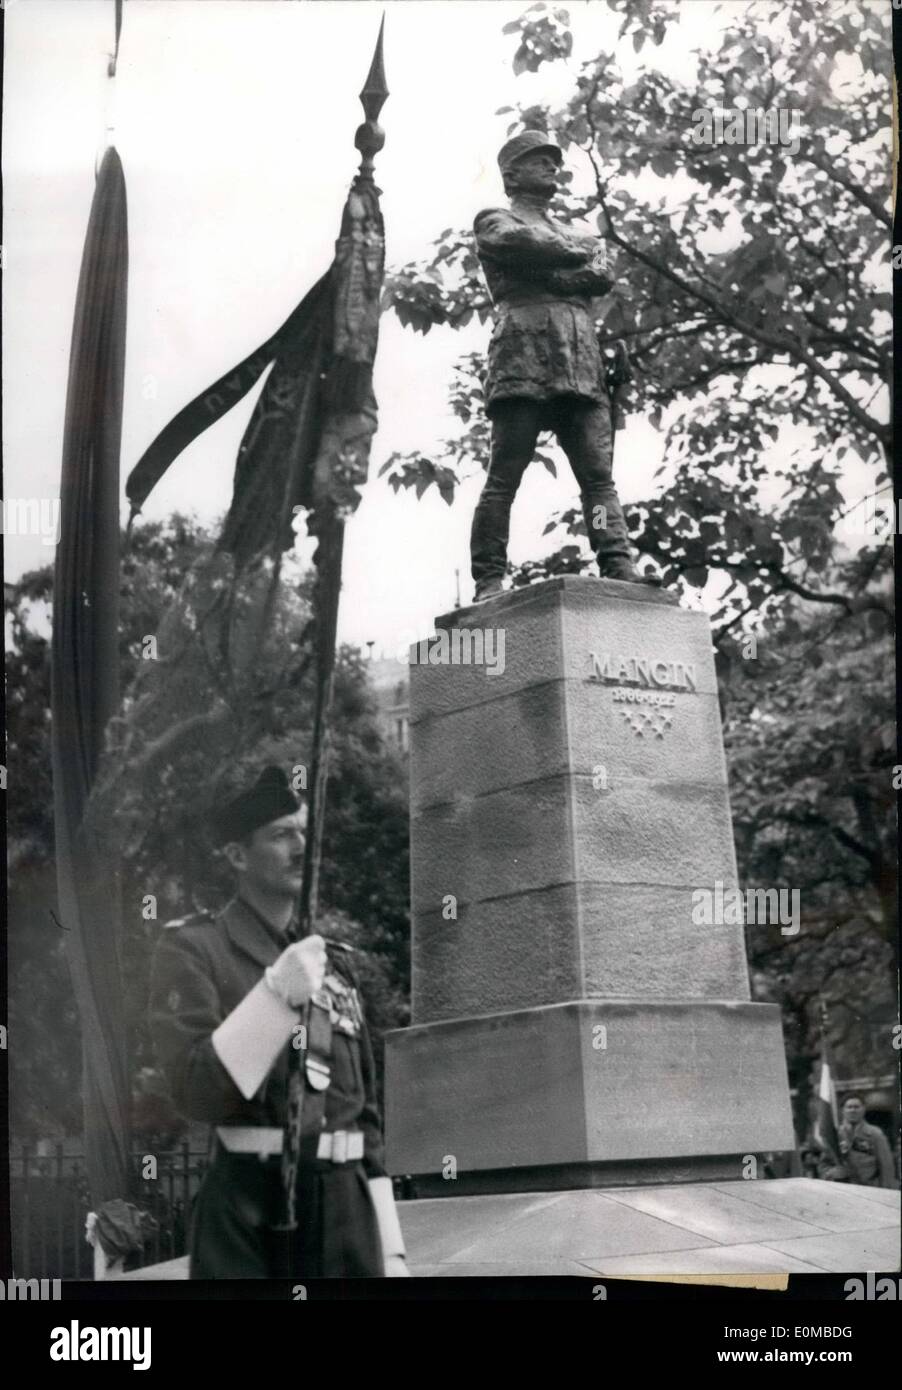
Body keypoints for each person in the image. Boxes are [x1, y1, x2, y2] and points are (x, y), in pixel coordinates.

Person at [148, 765, 409, 1277]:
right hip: (252, 1212)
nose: (301, 847)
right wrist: (274, 997)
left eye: (305, 833)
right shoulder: (194, 949)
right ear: (237, 855)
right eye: (281, 834)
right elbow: (196, 1089)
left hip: (347, 1218)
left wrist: (392, 1249)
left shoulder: (335, 964)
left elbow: (366, 1120)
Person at [470, 130, 658, 601]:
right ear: (511, 174)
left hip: (579, 357)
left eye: (554, 161)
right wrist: (567, 263)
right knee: (505, 472)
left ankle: (617, 562)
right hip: (523, 351)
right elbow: (517, 241)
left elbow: (601, 272)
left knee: (597, 476)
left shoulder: (576, 232)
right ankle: (489, 578)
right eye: (539, 161)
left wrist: (547, 268)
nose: (552, 167)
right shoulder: (494, 219)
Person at [817, 1096, 896, 1189]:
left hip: (870, 1188)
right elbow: (823, 1165)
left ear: (863, 1109)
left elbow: (886, 1166)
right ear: (843, 1110)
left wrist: (885, 1191)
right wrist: (831, 1172)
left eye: (856, 1107)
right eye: (849, 1107)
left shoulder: (875, 1134)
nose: (853, 1110)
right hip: (843, 1189)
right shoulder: (836, 1136)